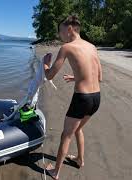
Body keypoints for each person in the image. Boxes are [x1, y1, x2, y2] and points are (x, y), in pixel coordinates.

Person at [43, 15, 102, 180]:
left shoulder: (67, 47)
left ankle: (55, 172)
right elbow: (99, 76)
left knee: (66, 135)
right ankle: (79, 160)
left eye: (60, 31)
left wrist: (45, 63)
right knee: (78, 129)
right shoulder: (92, 46)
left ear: (69, 29)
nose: (60, 36)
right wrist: (77, 78)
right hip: (96, 98)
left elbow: (49, 76)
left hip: (82, 99)